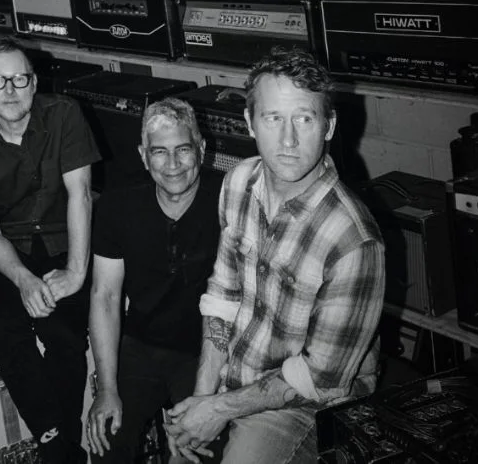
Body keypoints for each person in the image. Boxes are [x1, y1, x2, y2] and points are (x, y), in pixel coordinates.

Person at [163, 46, 386, 463]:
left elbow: (320, 378)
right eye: (272, 118)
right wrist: (201, 400)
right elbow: (223, 296)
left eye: (304, 119)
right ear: (250, 122)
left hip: (306, 404)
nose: (288, 140)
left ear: (329, 126)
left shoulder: (354, 240)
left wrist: (218, 409)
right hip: (238, 372)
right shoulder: (238, 182)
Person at [0, 36, 101, 464]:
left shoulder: (65, 114)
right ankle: (57, 443)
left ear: (34, 82)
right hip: (13, 246)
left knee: (63, 334)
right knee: (2, 331)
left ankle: (58, 448)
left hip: (66, 238)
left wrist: (76, 272)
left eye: (19, 79)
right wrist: (23, 280)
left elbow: (81, 196)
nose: (9, 90)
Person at [84, 98, 222, 464]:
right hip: (141, 345)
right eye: (160, 152)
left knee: (198, 453)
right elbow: (105, 296)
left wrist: (207, 401)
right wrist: (106, 388)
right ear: (144, 156)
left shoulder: (229, 200)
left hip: (208, 351)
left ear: (201, 149)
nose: (173, 164)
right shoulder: (117, 205)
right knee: (105, 439)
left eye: (183, 150)